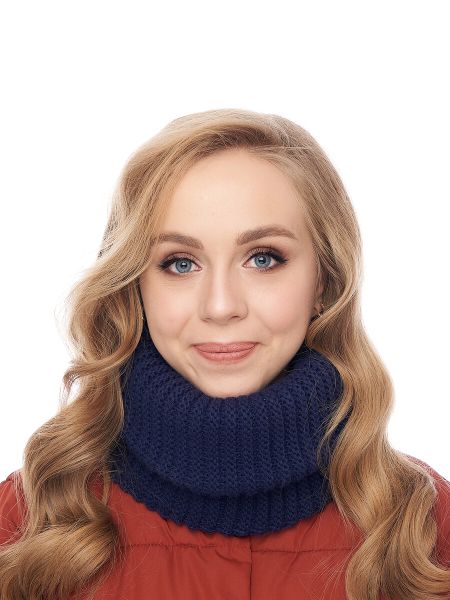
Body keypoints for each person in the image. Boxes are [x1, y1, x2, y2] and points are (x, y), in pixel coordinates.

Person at [0, 108, 449, 600]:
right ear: (134, 286)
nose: (220, 306)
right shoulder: (32, 517)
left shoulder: (421, 523)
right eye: (180, 263)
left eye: (263, 258)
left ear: (324, 280)